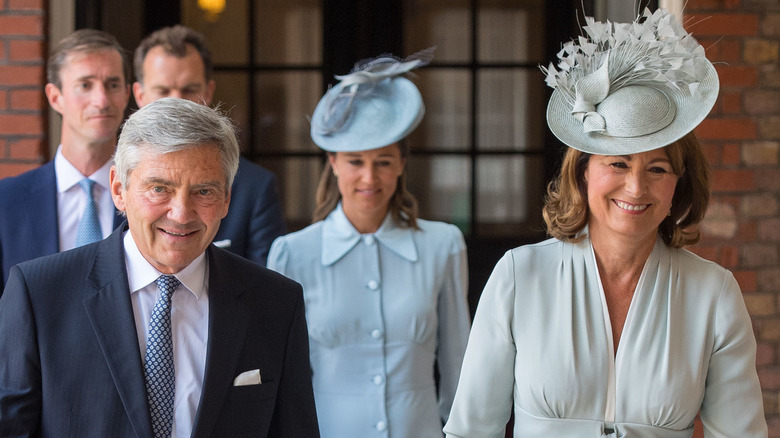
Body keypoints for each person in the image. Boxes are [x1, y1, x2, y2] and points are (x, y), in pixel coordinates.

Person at [443, 8, 767, 437]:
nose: (636, 188)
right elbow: (472, 430)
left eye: (657, 169)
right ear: (583, 173)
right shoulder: (520, 275)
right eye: (618, 163)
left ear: (678, 186)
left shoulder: (714, 293)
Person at [0, 98, 320, 437]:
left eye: (203, 191)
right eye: (159, 189)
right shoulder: (39, 294)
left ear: (226, 198)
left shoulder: (275, 303)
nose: (181, 213)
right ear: (119, 190)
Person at [267, 49, 471, 438]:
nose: (369, 177)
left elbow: (458, 360)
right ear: (333, 163)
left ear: (401, 164)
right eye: (355, 161)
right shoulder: (293, 254)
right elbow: (281, 375)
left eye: (383, 161)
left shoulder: (442, 246)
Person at [133, 24, 286, 266]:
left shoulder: (254, 187)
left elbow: (264, 293)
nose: (177, 101)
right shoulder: (120, 181)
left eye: (189, 89)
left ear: (209, 91)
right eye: (162, 90)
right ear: (139, 95)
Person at [0, 29, 130, 286]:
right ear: (55, 97)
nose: (102, 100)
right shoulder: (7, 201)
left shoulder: (147, 195)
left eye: (112, 85)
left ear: (127, 93)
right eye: (85, 85)